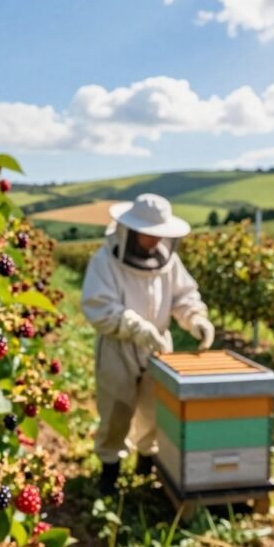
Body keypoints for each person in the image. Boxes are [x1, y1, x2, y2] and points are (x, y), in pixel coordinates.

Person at [81, 193, 214, 495]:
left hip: (158, 347)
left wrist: (195, 318)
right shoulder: (105, 261)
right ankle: (109, 470)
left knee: (155, 408)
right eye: (149, 234)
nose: (155, 241)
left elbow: (183, 295)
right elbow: (99, 307)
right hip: (118, 347)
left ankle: (146, 460)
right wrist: (136, 328)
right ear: (131, 230)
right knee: (116, 410)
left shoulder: (169, 261)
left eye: (159, 235)